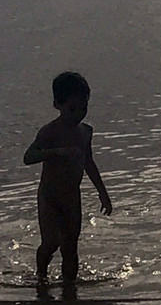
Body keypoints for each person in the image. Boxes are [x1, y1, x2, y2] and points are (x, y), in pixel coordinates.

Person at [24, 71, 112, 289]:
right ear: (58, 105)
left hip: (72, 196)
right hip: (49, 197)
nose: (78, 114)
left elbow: (88, 162)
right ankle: (41, 276)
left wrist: (102, 192)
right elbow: (29, 157)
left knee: (70, 246)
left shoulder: (85, 132)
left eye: (83, 108)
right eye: (72, 109)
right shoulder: (49, 132)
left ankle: (69, 288)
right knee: (51, 242)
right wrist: (57, 152)